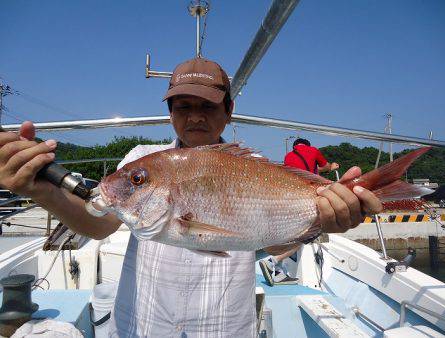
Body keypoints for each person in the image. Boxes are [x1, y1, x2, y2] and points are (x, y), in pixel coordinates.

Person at [0, 57, 382, 337]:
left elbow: (274, 241)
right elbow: (97, 224)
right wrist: (40, 189)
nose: (195, 116)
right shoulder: (139, 160)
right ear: (170, 114)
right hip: (143, 326)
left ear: (229, 111)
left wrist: (325, 219)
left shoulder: (255, 169)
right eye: (184, 107)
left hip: (224, 328)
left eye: (208, 106)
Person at [259, 138, 340, 286]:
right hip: (305, 197)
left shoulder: (288, 156)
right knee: (305, 235)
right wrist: (332, 167)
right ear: (307, 145)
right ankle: (273, 261)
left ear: (295, 146)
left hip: (287, 197)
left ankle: (278, 272)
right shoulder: (313, 151)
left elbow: (304, 170)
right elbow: (324, 166)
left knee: (288, 233)